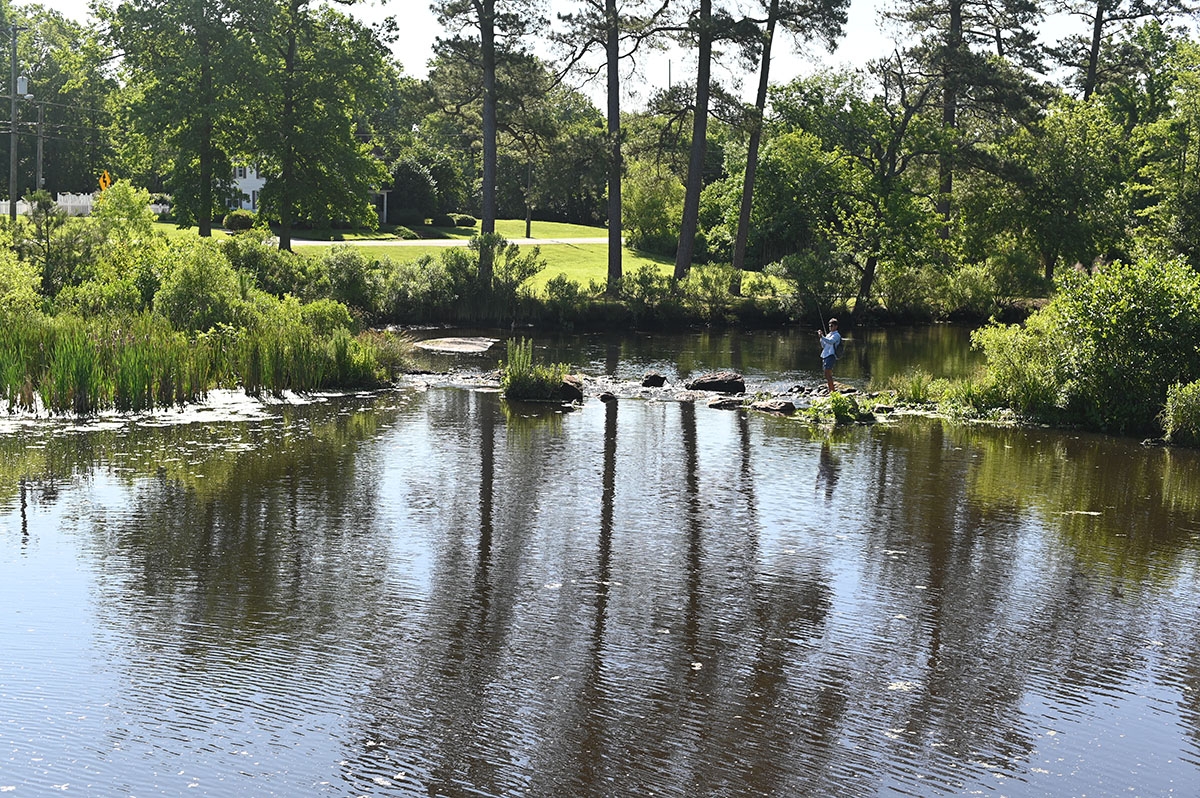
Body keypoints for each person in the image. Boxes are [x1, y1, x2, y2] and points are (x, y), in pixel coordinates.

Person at [818, 318, 841, 393]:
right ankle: (830, 390)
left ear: (836, 326)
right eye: (829, 326)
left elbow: (831, 342)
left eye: (832, 326)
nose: (830, 327)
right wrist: (821, 338)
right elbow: (823, 345)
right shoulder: (829, 335)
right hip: (825, 355)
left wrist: (823, 337)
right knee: (826, 374)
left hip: (831, 355)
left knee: (828, 373)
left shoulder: (837, 335)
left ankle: (832, 391)